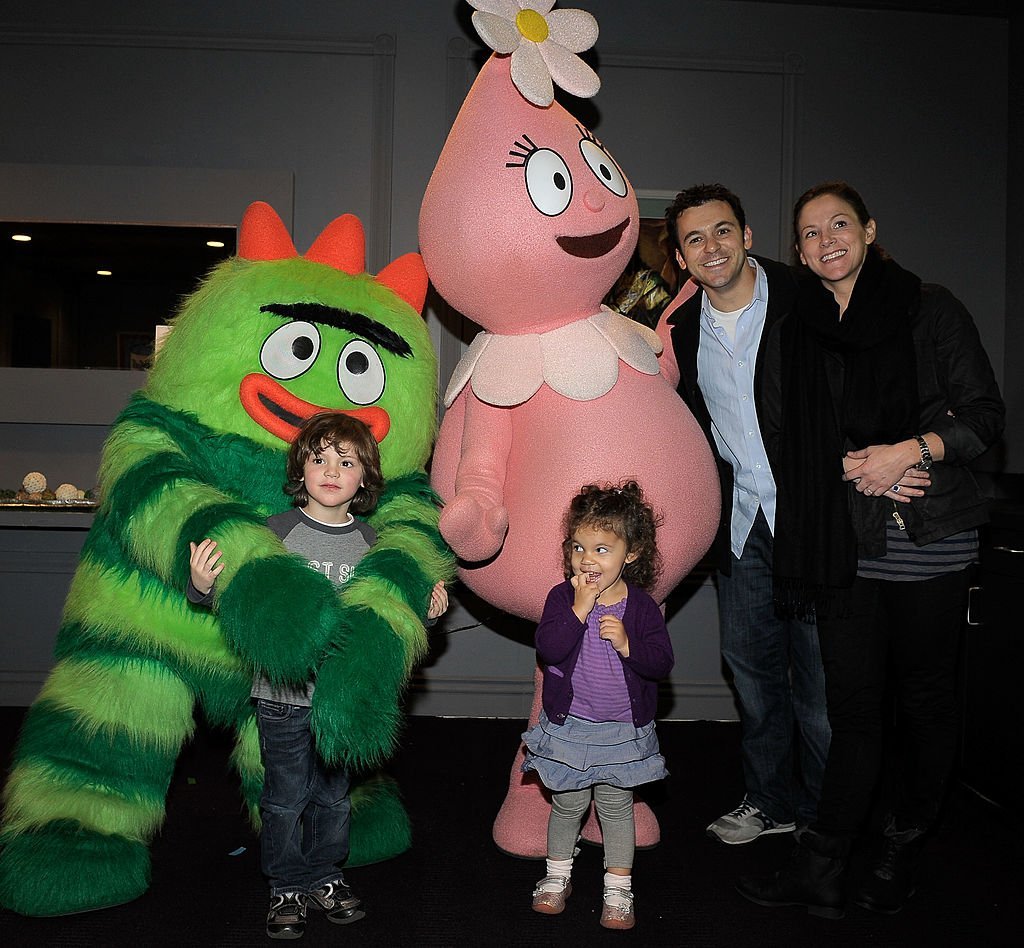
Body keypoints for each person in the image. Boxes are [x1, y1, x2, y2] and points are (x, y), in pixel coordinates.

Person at [736, 181, 1004, 918]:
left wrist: (912, 449)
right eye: (810, 233)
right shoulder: (796, 330)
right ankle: (822, 861)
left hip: (932, 540)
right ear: (798, 251)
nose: (826, 241)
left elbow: (984, 415)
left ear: (869, 229)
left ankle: (901, 845)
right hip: (844, 545)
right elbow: (784, 436)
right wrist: (856, 467)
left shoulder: (930, 307)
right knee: (854, 710)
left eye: (839, 225)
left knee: (924, 704)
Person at [187, 412, 449, 939]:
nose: (331, 470)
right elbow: (246, 605)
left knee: (333, 795)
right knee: (285, 794)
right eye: (319, 458)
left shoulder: (375, 547)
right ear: (301, 469)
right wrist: (201, 585)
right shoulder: (274, 533)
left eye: (345, 461)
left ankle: (325, 874)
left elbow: (389, 622)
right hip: (281, 696)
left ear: (365, 478)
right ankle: (285, 883)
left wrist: (428, 613)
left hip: (341, 700)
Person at [661, 183, 831, 844]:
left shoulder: (804, 299)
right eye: (695, 239)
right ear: (679, 258)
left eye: (722, 231)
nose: (712, 247)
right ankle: (769, 800)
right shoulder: (678, 327)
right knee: (754, 674)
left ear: (747, 235)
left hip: (811, 521)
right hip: (740, 527)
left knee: (819, 683)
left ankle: (823, 816)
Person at [523, 481, 673, 931]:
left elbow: (662, 662)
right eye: (579, 548)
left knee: (616, 809)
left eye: (603, 549)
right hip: (571, 729)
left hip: (622, 733)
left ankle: (618, 888)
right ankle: (556, 877)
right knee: (567, 806)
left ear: (631, 554)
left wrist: (629, 646)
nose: (588, 560)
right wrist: (578, 609)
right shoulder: (560, 598)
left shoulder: (642, 607)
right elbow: (548, 649)